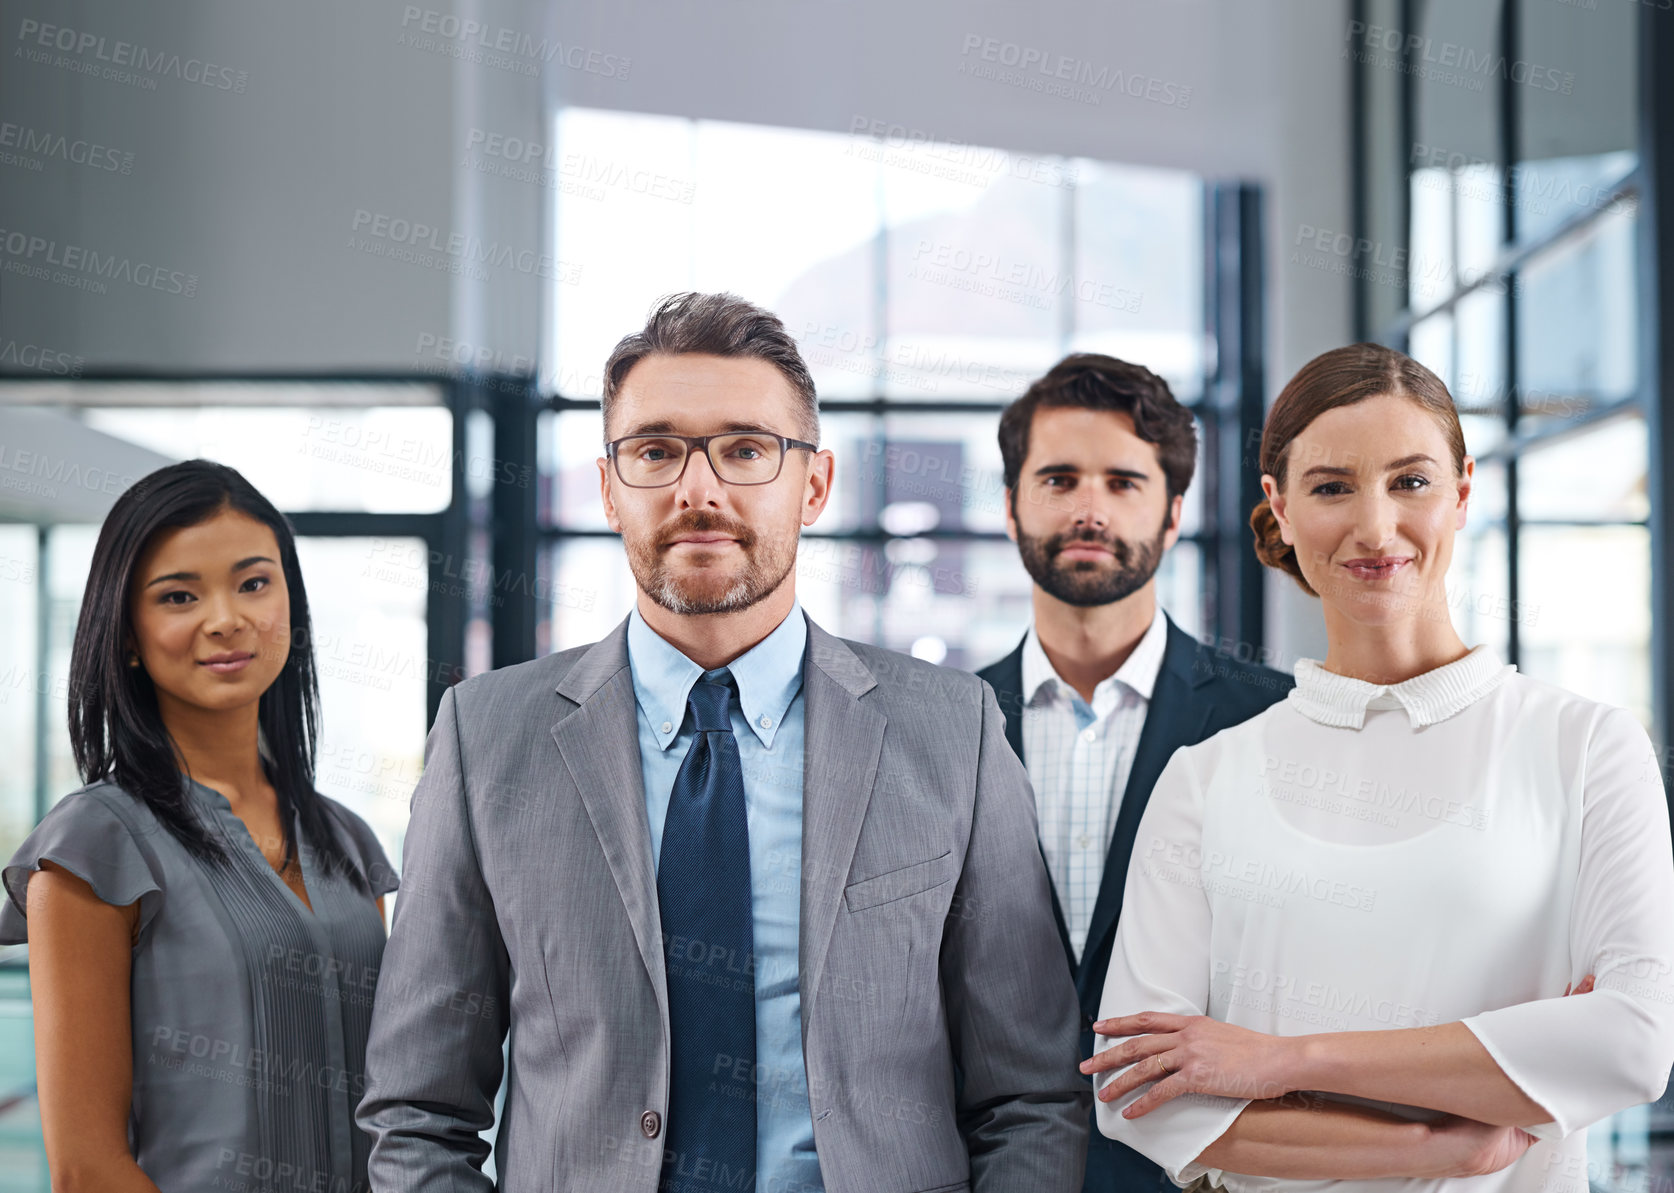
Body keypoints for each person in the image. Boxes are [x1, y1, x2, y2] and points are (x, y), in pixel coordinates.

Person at [358, 291, 1090, 1192]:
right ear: (608, 487)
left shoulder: (955, 731)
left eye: (746, 450)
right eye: (656, 451)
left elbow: (1031, 1098)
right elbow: (416, 1110)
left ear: (813, 484)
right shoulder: (485, 739)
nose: (698, 491)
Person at [1082, 342, 1674, 1191]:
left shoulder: (1584, 747)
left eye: (1411, 481)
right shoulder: (1205, 780)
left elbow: (1632, 1042)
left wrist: (1277, 1060)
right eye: (1331, 486)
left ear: (1463, 491)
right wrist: (1441, 1146)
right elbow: (1135, 1095)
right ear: (1278, 507)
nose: (1375, 526)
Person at [1, 459, 398, 1193]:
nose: (227, 618)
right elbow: (87, 1169)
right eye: (179, 595)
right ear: (126, 633)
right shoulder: (93, 846)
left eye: (254, 582)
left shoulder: (347, 842)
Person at [976, 353, 1292, 1192]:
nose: (1089, 509)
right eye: (1058, 479)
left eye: (1122, 481)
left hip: (1208, 1171)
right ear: (1011, 507)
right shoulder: (933, 726)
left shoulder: (1276, 720)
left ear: (1174, 510)